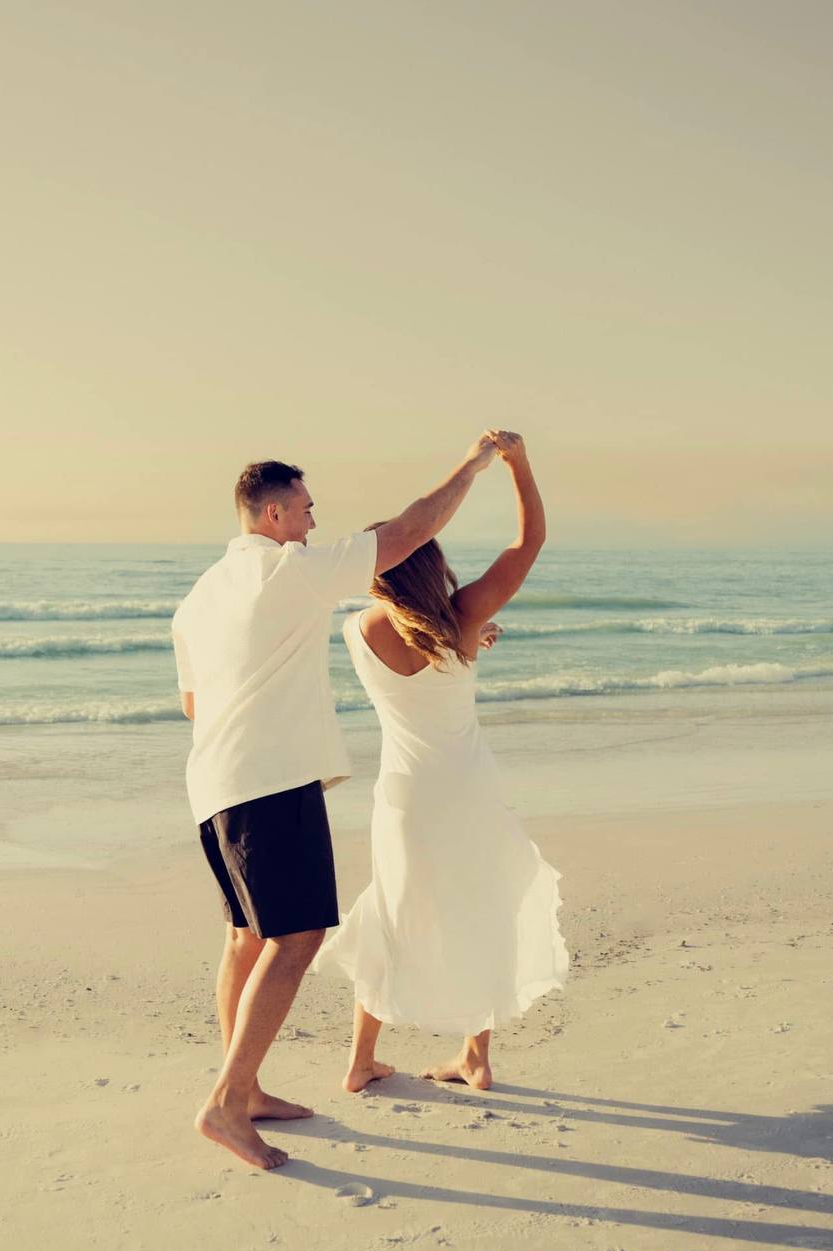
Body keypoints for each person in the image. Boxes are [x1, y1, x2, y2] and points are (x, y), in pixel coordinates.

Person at [171, 435, 498, 1171]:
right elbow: (409, 533)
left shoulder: (198, 598)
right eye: (309, 511)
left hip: (214, 783)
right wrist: (474, 464)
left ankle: (245, 1088)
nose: (315, 525)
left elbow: (195, 704)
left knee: (245, 939)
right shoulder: (291, 571)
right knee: (298, 937)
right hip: (271, 781)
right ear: (277, 513)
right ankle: (226, 1104)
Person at [315, 431, 568, 1092]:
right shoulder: (462, 619)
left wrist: (468, 641)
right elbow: (527, 543)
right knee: (481, 906)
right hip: (469, 790)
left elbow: (409, 645)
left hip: (405, 796)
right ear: (431, 563)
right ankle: (476, 1057)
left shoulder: (354, 630)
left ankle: (360, 1059)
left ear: (377, 571)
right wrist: (519, 464)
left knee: (389, 911)